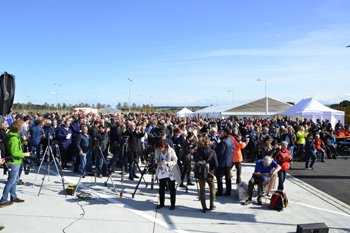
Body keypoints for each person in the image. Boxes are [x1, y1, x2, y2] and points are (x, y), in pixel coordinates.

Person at [0, 120, 31, 208]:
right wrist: (24, 154)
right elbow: (14, 152)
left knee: (14, 179)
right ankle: (3, 200)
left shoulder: (15, 136)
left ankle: (13, 196)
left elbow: (16, 148)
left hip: (17, 161)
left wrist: (21, 141)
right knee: (11, 181)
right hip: (14, 162)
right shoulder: (13, 138)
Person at [154, 140, 181, 210]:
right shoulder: (157, 151)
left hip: (170, 171)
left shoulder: (170, 150)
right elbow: (156, 157)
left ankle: (172, 204)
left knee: (172, 188)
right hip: (162, 170)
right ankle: (161, 203)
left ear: (163, 146)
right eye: (158, 149)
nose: (159, 150)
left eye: (160, 148)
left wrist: (168, 163)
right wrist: (156, 160)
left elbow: (175, 160)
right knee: (161, 188)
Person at [195, 138, 218, 213]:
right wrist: (212, 170)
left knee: (202, 190)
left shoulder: (198, 151)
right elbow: (216, 164)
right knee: (212, 188)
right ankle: (211, 205)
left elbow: (195, 160)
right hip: (209, 172)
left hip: (201, 172)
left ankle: (204, 207)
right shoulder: (212, 152)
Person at [215, 127, 235, 196]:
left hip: (223, 162)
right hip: (229, 161)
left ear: (226, 133)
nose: (222, 133)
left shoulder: (224, 142)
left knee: (219, 176)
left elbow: (220, 152)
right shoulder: (231, 140)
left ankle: (220, 191)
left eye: (223, 132)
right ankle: (228, 191)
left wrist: (216, 147)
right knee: (228, 177)